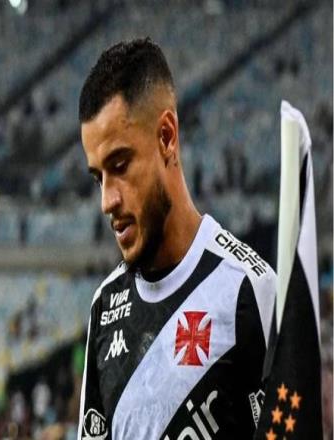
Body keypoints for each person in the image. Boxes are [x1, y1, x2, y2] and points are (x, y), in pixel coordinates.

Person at [77, 38, 276, 439]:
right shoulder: (106, 306)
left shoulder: (250, 290)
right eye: (99, 177)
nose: (107, 200)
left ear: (166, 137)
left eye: (120, 165)